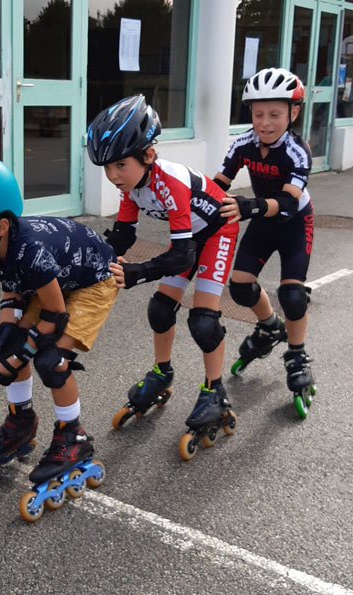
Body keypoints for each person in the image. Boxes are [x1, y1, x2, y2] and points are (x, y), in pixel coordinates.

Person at [0, 156, 117, 510]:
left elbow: (54, 317)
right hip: (54, 283)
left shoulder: (30, 250)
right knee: (8, 346)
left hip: (91, 283)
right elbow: (13, 293)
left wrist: (13, 359)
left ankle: (74, 435)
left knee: (49, 358)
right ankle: (21, 422)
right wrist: (0, 345)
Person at [86, 95, 239, 457]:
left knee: (203, 322)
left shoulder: (169, 182)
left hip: (217, 234)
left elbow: (181, 254)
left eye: (120, 165)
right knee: (160, 310)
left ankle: (215, 390)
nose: (112, 176)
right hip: (190, 239)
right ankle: (161, 372)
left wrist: (137, 272)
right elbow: (122, 236)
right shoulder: (132, 186)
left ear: (148, 156)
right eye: (106, 168)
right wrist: (90, 262)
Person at [212, 67, 316, 419]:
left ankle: (297, 353)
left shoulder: (298, 152)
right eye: (258, 114)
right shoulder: (242, 144)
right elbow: (217, 186)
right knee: (240, 288)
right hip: (262, 220)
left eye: (275, 114)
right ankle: (271, 326)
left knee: (292, 294)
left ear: (293, 113)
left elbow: (287, 205)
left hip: (294, 222)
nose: (266, 122)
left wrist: (247, 206)